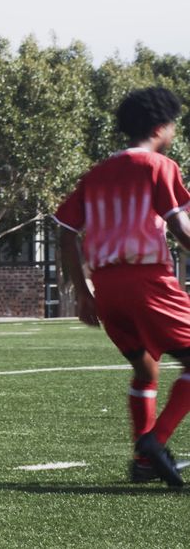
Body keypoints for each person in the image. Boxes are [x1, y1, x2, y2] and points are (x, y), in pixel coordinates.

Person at [55, 87, 190, 487]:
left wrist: (83, 292)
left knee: (145, 368)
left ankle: (142, 462)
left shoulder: (95, 174)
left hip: (108, 289)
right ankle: (155, 442)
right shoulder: (159, 166)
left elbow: (64, 232)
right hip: (147, 282)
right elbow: (181, 228)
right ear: (162, 127)